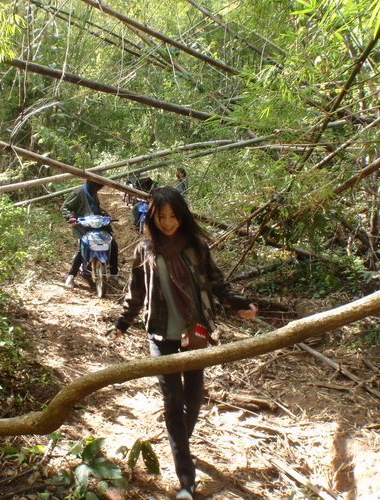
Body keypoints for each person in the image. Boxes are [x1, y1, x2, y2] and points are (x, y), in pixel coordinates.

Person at [109, 186, 258, 500]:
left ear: (182, 215)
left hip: (195, 332)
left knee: (193, 399)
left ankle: (180, 442)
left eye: (173, 216)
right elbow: (136, 292)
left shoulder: (195, 246)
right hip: (160, 334)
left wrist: (239, 303)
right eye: (161, 216)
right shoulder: (145, 249)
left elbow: (216, 283)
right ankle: (186, 481)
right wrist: (123, 323)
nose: (167, 222)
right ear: (152, 217)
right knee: (173, 401)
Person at [60, 180, 122, 287]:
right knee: (81, 249)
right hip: (82, 226)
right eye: (97, 187)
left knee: (112, 244)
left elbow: (96, 208)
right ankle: (71, 276)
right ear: (92, 185)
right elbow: (65, 207)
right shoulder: (78, 193)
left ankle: (114, 274)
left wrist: (103, 212)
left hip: (96, 225)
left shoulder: (93, 193)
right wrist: (71, 217)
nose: (98, 190)